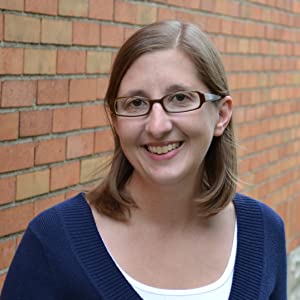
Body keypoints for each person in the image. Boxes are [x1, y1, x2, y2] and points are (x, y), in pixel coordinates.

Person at [1, 20, 286, 300]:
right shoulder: (53, 242)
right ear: (115, 121)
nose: (157, 126)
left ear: (221, 115)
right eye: (136, 103)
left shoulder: (263, 232)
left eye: (180, 98)